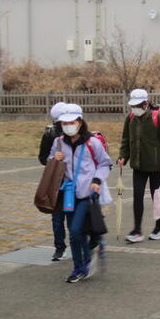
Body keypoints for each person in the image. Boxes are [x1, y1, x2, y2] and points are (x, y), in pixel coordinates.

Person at [49, 104, 112, 282]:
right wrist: (55, 158)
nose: (68, 126)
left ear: (80, 122)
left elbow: (105, 163)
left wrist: (97, 180)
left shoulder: (93, 142)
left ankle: (83, 262)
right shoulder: (59, 142)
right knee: (75, 232)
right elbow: (49, 161)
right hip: (68, 194)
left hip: (88, 194)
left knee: (76, 230)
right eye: (64, 123)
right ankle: (79, 267)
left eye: (72, 122)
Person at [118, 89, 160, 243]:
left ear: (146, 104)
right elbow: (126, 140)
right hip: (138, 166)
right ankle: (137, 230)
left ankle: (159, 228)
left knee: (157, 198)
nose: (135, 108)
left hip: (156, 167)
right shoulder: (130, 118)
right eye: (133, 105)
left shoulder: (159, 118)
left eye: (138, 105)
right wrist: (123, 156)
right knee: (137, 197)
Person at [39, 101, 69, 261]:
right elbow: (43, 157)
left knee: (71, 216)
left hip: (71, 182)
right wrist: (54, 160)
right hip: (56, 181)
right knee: (57, 217)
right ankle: (59, 247)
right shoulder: (50, 133)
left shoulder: (78, 133)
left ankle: (77, 244)